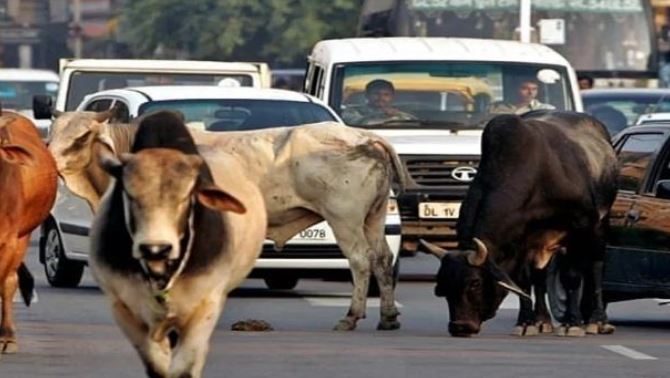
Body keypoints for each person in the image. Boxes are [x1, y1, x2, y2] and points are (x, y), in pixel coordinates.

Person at [342, 79, 415, 125]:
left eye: (386, 95)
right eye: (376, 94)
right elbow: (354, 123)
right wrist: (381, 115)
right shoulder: (352, 111)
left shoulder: (403, 116)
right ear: (367, 95)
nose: (381, 98)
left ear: (392, 97)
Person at [490, 79, 555, 115]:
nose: (530, 92)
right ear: (515, 89)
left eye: (534, 89)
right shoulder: (496, 107)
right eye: (525, 88)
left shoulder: (545, 109)